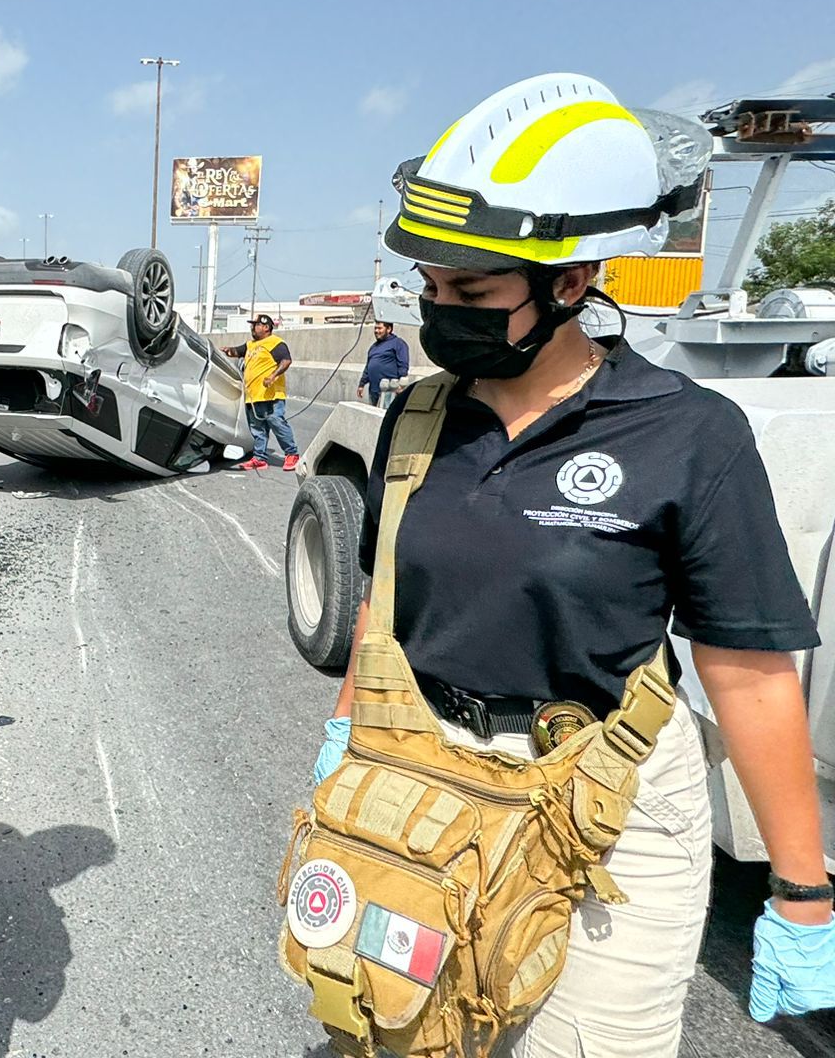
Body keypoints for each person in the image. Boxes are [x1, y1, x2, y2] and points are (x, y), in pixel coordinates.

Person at [310, 72, 832, 1055]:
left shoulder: (687, 435)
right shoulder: (420, 419)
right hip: (422, 773)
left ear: (572, 281)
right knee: (390, 1029)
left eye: (470, 291)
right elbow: (384, 596)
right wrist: (346, 738)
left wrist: (800, 891)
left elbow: (750, 672)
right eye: (429, 286)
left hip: (607, 814)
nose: (440, 311)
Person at [221, 313, 300, 471]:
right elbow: (237, 351)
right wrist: (228, 350)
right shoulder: (250, 345)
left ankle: (292, 454)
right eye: (252, 325)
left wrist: (273, 376)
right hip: (253, 396)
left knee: (276, 422)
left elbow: (286, 360)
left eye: (256, 325)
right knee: (257, 428)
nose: (252, 327)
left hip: (270, 394)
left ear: (266, 327)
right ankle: (259, 458)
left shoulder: (275, 342)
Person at [356, 319, 409, 404]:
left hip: (389, 390)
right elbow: (368, 367)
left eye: (380, 328)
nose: (376, 331)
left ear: (389, 329)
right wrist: (361, 384)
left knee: (385, 415)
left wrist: (401, 385)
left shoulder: (397, 343)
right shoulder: (373, 347)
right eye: (375, 328)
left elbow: (403, 364)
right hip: (374, 390)